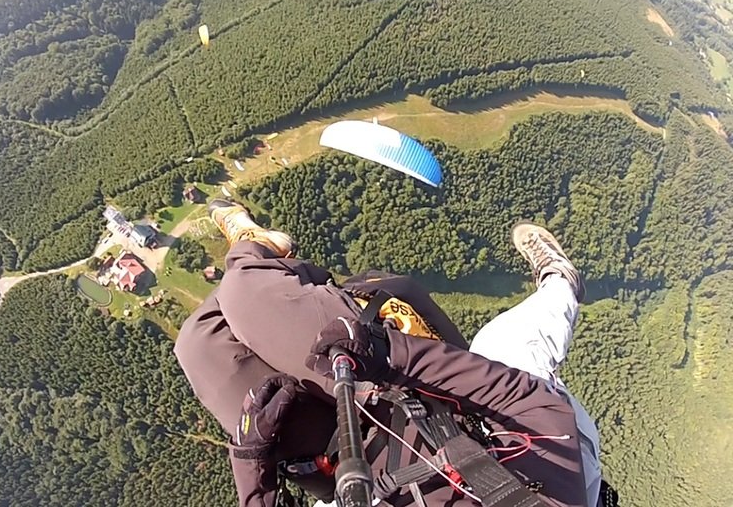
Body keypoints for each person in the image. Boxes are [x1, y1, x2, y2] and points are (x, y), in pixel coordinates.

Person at [174, 200, 605, 507]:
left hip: (354, 466)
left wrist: (251, 465)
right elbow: (525, 401)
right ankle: (561, 281)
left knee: (198, 343)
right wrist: (388, 352)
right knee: (509, 346)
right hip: (461, 422)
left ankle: (267, 261)